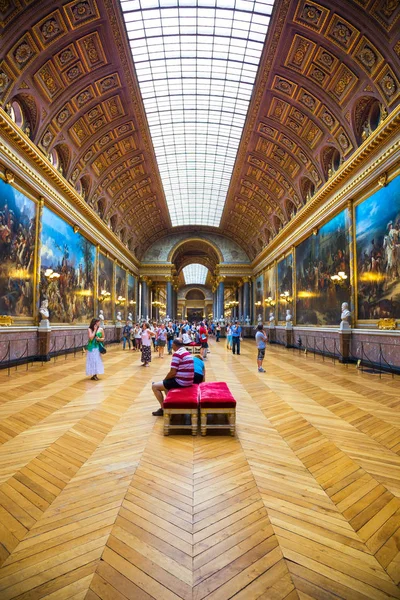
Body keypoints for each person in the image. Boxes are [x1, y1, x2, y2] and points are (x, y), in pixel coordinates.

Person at [151, 339, 194, 415]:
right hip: (189, 380)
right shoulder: (187, 352)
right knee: (165, 385)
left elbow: (172, 372)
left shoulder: (177, 354)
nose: (171, 346)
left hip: (181, 382)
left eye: (172, 345)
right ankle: (170, 405)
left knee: (155, 386)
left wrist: (164, 380)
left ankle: (163, 409)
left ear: (174, 345)